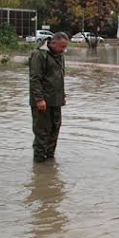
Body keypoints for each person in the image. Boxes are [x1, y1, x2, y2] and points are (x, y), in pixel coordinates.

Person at [29, 32, 69, 162]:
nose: (63, 50)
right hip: (42, 102)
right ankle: (39, 163)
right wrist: (39, 99)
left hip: (56, 101)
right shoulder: (39, 55)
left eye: (65, 47)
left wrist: (62, 95)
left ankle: (50, 161)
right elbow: (35, 79)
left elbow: (58, 77)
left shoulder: (59, 55)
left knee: (55, 129)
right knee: (42, 132)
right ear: (53, 43)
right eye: (61, 47)